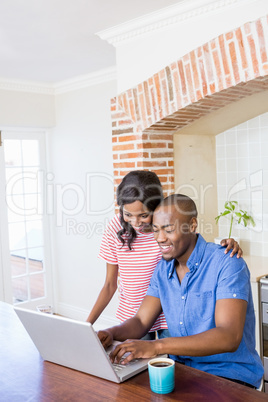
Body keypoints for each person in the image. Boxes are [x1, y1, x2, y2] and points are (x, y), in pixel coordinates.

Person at [98, 193, 263, 389]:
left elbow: (228, 336)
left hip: (228, 376)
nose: (160, 238)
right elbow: (141, 321)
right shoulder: (162, 269)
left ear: (192, 225)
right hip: (180, 370)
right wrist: (110, 333)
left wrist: (156, 346)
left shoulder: (226, 263)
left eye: (168, 229)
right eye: (156, 230)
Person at [87, 170, 242, 340]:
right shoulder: (115, 227)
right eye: (128, 214)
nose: (135, 222)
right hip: (134, 318)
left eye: (143, 216)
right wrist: (87, 325)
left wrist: (225, 247)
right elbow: (109, 284)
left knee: (173, 358)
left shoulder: (164, 226)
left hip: (169, 315)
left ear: (156, 208)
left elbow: (192, 248)